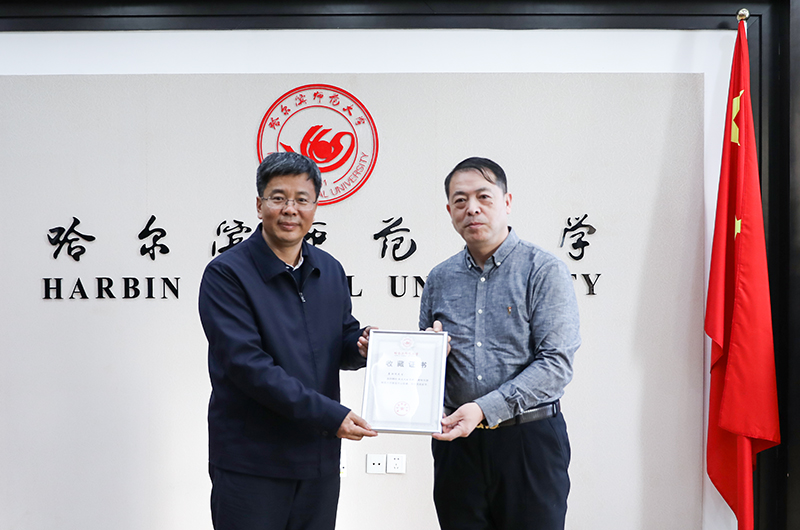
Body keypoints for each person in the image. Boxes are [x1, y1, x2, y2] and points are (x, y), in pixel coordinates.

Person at [198, 152, 377, 530]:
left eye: (301, 199)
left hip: (318, 462)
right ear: (259, 204)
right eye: (278, 198)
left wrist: (363, 345)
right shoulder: (227, 274)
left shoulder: (329, 269)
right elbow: (248, 366)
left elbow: (341, 338)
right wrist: (331, 416)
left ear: (315, 206)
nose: (290, 209)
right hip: (252, 463)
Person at [419, 157, 581, 530]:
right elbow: (430, 371)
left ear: (506, 202)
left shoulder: (543, 271)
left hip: (528, 442)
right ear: (449, 211)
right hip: (457, 447)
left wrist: (483, 408)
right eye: (460, 200)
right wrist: (430, 357)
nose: (471, 208)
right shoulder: (439, 279)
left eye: (483, 197)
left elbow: (555, 364)